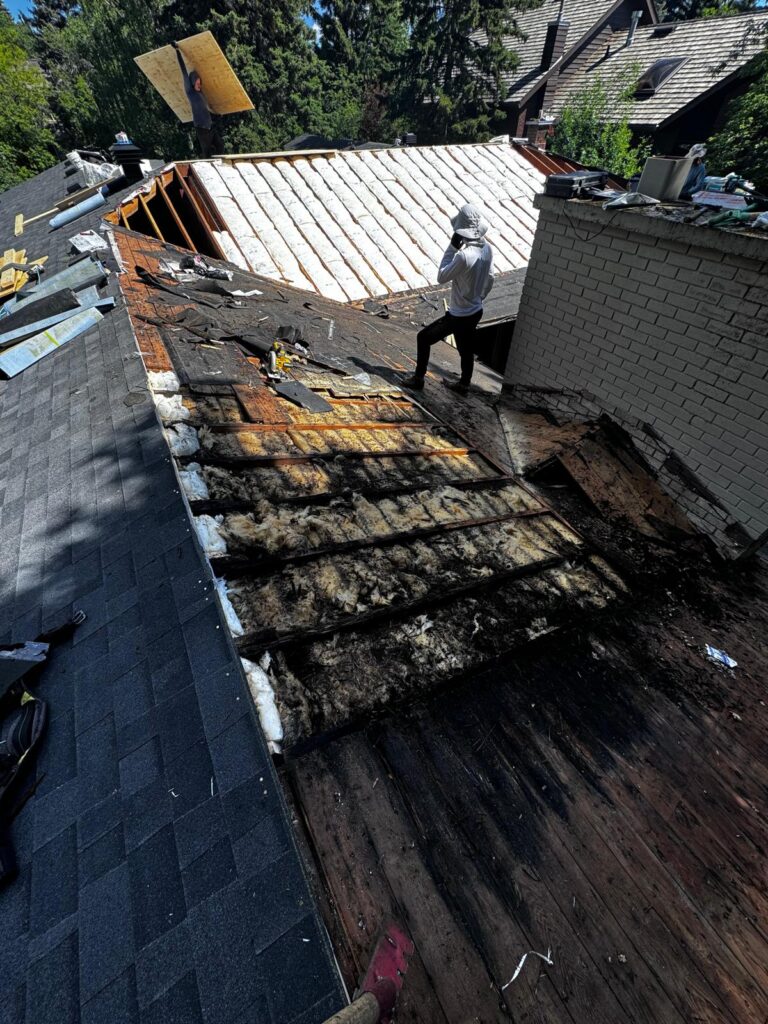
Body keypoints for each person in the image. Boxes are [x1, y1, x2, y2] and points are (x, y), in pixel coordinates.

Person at [402, 203, 494, 396]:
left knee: (424, 338)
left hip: (459, 314)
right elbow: (491, 278)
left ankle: (418, 378)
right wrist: (479, 296)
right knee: (465, 348)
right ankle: (464, 384)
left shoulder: (463, 256)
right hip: (476, 310)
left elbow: (441, 276)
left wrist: (452, 247)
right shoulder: (487, 249)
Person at [173, 42, 224, 158]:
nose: (199, 85)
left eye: (200, 83)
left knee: (220, 146)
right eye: (197, 83)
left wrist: (216, 114)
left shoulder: (201, 93)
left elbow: (205, 109)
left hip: (210, 127)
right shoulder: (190, 92)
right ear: (192, 82)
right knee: (207, 153)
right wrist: (177, 51)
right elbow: (184, 72)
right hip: (201, 129)